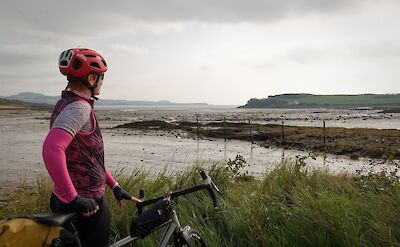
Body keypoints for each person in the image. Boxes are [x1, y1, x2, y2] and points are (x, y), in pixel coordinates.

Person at [42, 48, 141, 247]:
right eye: (101, 78)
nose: (102, 83)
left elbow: (88, 158)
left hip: (69, 198)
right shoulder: (80, 108)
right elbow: (52, 149)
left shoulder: (66, 103)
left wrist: (114, 186)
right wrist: (74, 198)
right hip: (86, 204)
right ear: (91, 78)